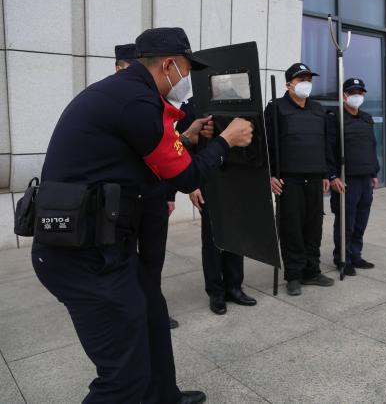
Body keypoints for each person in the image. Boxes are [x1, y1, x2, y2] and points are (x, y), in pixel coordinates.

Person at [33, 27, 253, 404]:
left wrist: (187, 135)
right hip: (83, 257)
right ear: (168, 64)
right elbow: (184, 177)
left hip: (103, 244)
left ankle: (164, 396)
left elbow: (147, 154)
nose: (187, 80)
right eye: (186, 70)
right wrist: (224, 142)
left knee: (151, 314)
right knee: (124, 378)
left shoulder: (128, 93)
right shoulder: (136, 101)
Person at [115, 43, 180, 330]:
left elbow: (166, 155)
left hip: (154, 197)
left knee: (153, 260)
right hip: (125, 202)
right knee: (125, 262)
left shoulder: (157, 103)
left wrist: (168, 195)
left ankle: (153, 311)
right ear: (119, 68)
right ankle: (132, 314)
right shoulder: (117, 101)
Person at [173, 98, 257, 315]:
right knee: (212, 239)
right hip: (207, 181)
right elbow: (183, 149)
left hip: (234, 180)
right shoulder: (191, 107)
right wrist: (193, 186)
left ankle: (234, 286)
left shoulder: (236, 103)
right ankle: (216, 291)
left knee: (235, 235)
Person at [264, 63, 335, 296]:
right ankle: (294, 275)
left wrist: (326, 172)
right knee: (291, 229)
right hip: (289, 180)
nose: (306, 82)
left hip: (315, 178)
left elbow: (325, 143)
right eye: (300, 79)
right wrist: (271, 175)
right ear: (288, 84)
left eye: (308, 78)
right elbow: (268, 146)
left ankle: (311, 271)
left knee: (313, 228)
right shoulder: (276, 108)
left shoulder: (318, 109)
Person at [327, 78, 379, 276]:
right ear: (344, 95)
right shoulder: (335, 118)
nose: (357, 96)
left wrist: (374, 172)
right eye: (352, 92)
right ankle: (342, 258)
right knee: (345, 222)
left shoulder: (366, 118)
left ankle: (355, 255)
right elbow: (329, 150)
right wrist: (332, 176)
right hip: (346, 180)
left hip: (366, 179)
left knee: (361, 221)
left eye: (360, 92)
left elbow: (372, 146)